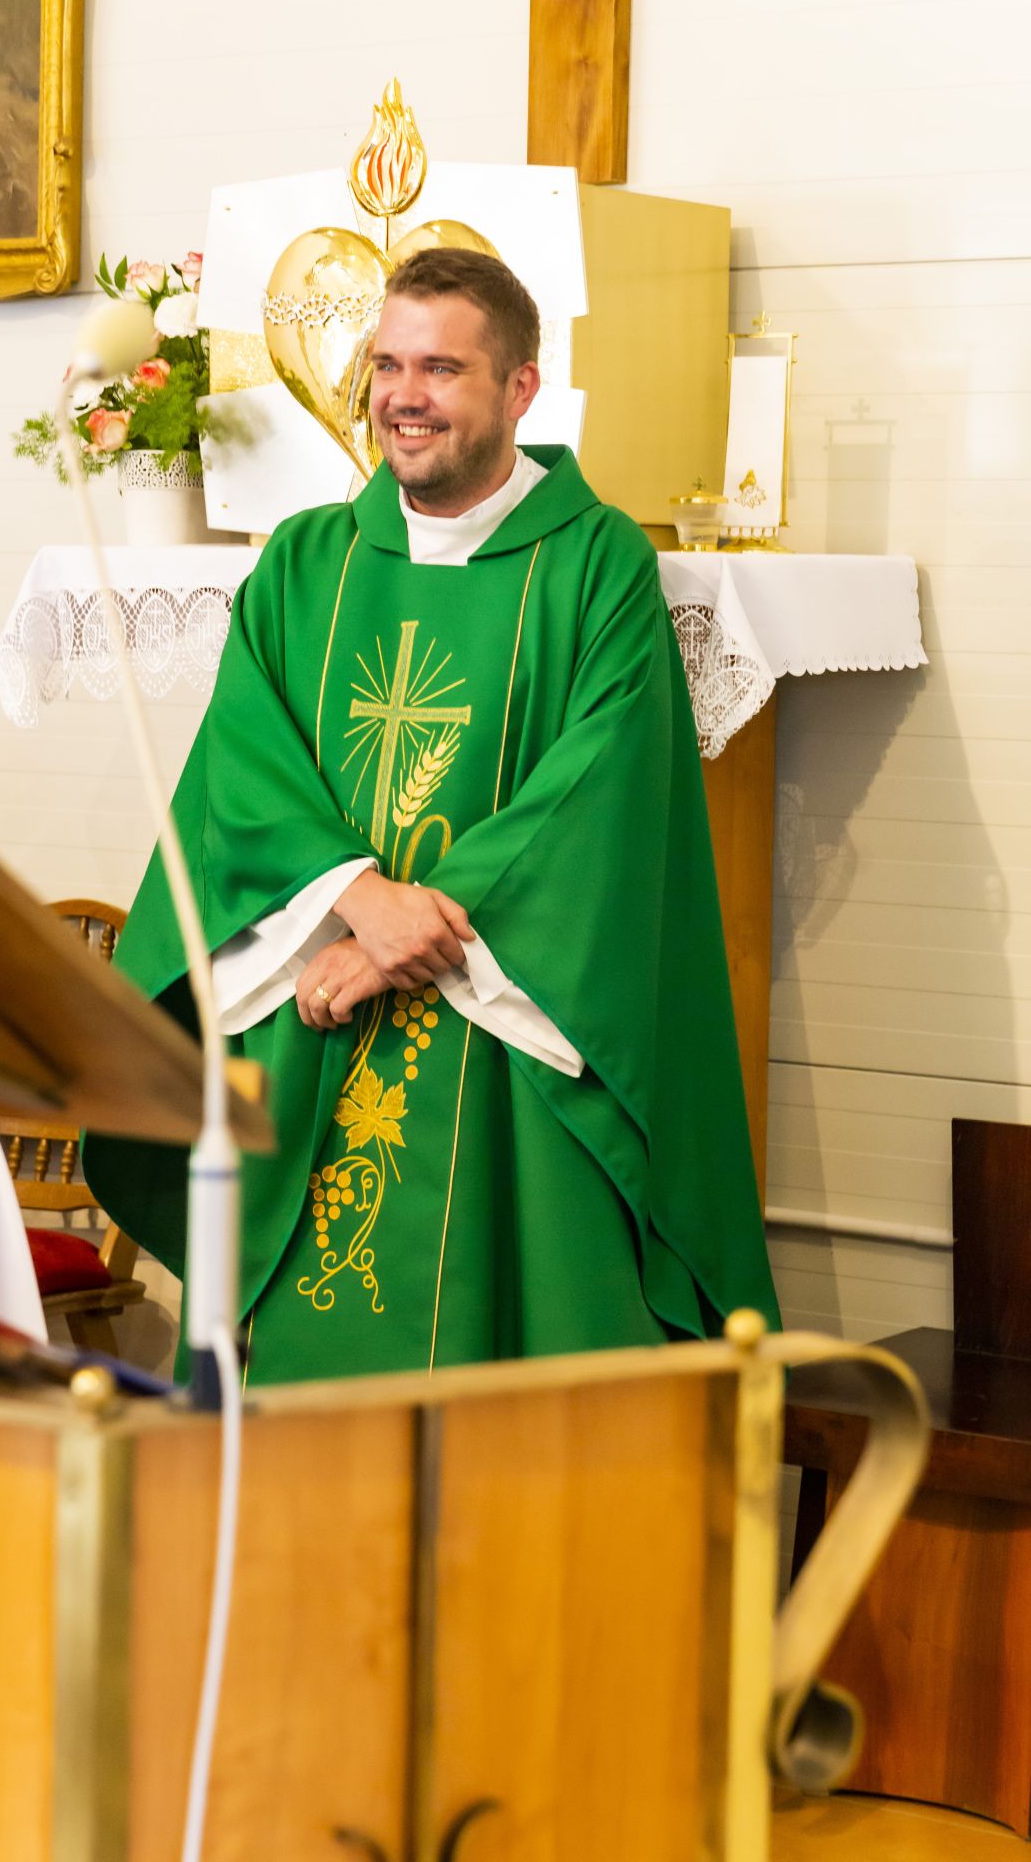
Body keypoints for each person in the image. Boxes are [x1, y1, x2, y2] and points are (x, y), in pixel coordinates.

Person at [83, 247, 779, 1383]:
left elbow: (596, 801)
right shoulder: (306, 561)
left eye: (442, 369)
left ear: (520, 388)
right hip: (317, 1017)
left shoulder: (595, 565)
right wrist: (358, 902)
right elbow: (242, 773)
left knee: (508, 1380)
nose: (403, 397)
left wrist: (392, 946)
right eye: (387, 365)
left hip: (507, 1034)